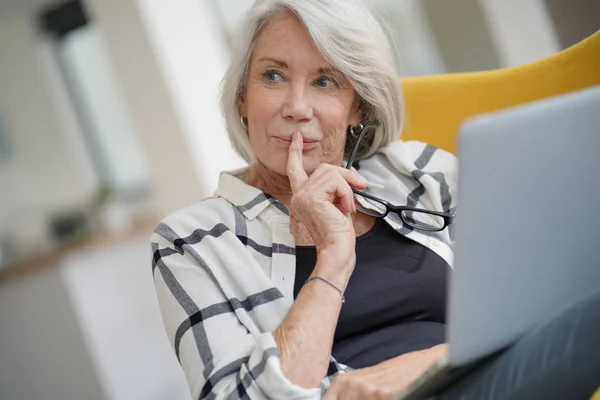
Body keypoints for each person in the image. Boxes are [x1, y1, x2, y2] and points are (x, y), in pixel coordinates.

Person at [150, 1, 600, 399]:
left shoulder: (420, 171)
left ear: (357, 108)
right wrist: (333, 260)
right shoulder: (192, 240)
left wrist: (424, 363)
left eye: (325, 81)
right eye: (273, 76)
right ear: (243, 97)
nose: (296, 107)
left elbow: (534, 300)